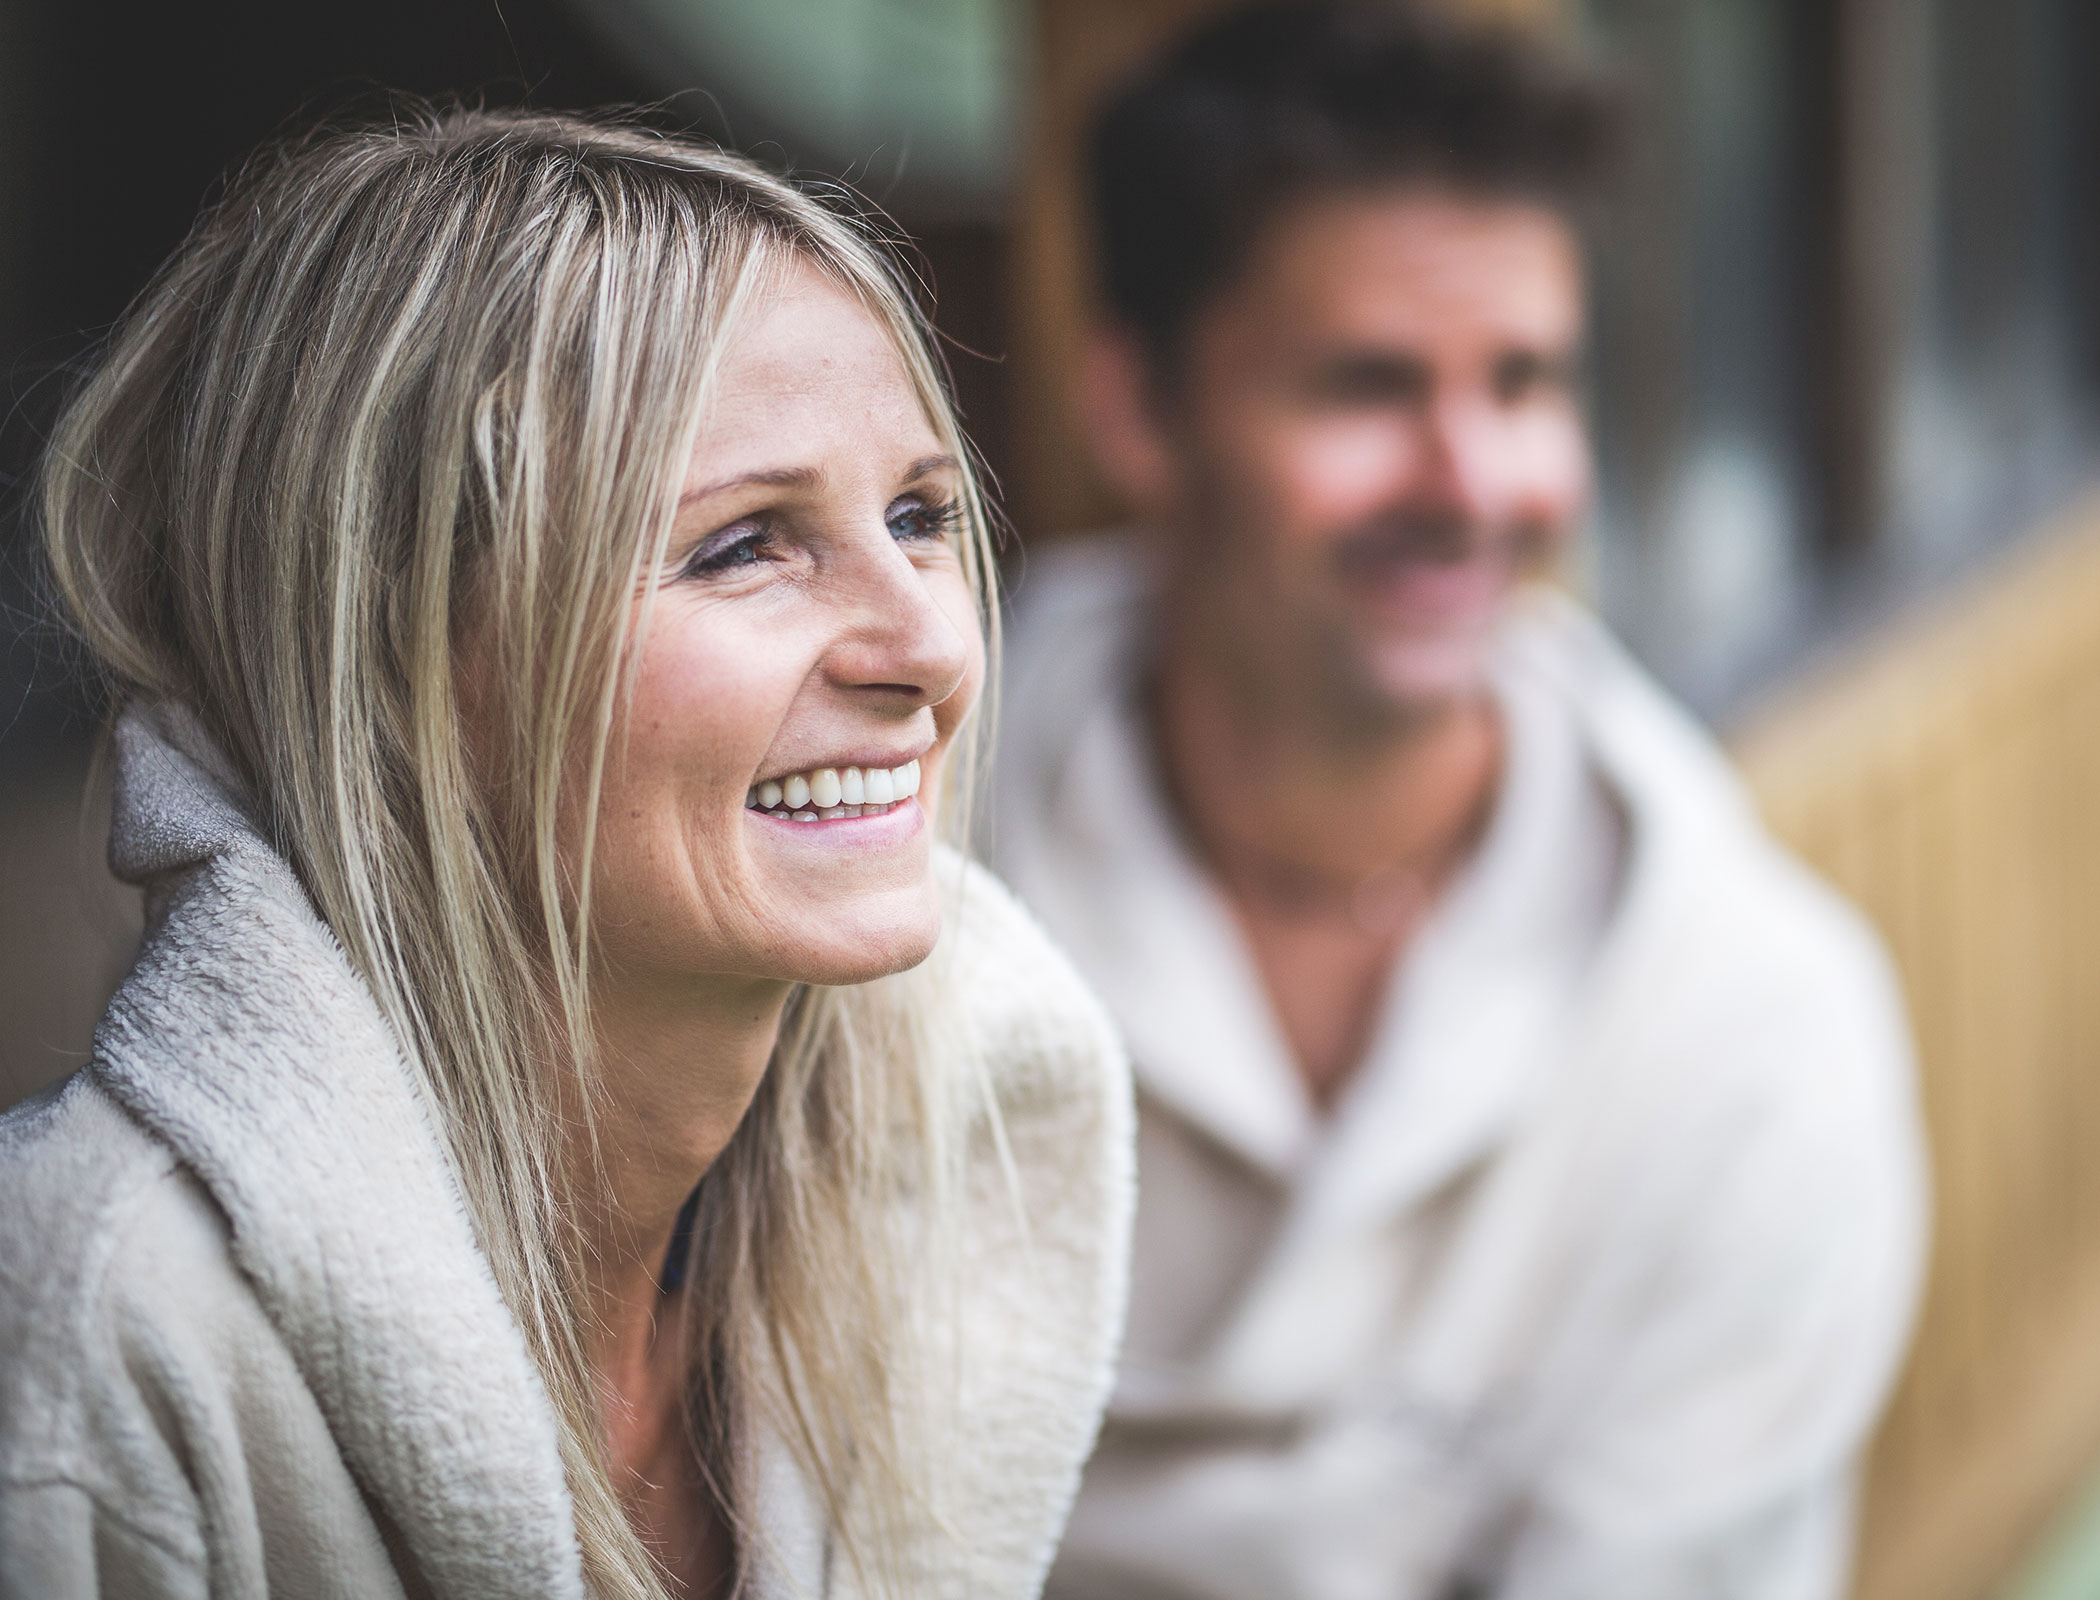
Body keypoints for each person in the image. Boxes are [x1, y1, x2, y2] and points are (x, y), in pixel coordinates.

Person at [0, 108, 1132, 1599]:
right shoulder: (91, 1327)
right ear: (395, 667)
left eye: (920, 514)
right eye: (746, 544)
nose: (929, 642)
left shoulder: (927, 1216)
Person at [988, 5, 1928, 1596]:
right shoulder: (877, 883)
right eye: (1367, 386)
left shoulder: (1756, 1030)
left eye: (1524, 381)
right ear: (1138, 409)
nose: (1473, 482)